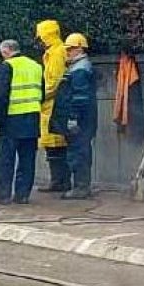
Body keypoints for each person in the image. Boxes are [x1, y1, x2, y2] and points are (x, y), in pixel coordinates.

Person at [0, 40, 42, 205]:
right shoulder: (36, 66)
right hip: (32, 118)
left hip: (11, 120)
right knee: (27, 159)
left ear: (5, 51)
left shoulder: (5, 67)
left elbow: (1, 96)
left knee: (5, 159)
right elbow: (42, 92)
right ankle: (22, 195)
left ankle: (3, 195)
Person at [50, 33, 97, 200]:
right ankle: (81, 186)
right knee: (80, 151)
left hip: (80, 121)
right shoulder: (79, 67)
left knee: (78, 153)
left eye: (70, 49)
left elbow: (79, 97)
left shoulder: (80, 69)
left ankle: (81, 188)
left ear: (79, 48)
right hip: (84, 120)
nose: (67, 52)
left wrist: (73, 118)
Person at [35, 20, 69, 193]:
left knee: (56, 145)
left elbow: (54, 82)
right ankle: (59, 181)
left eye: (40, 36)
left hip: (53, 105)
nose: (39, 41)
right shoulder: (54, 52)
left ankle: (59, 182)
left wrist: (41, 97)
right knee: (54, 145)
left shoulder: (56, 53)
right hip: (51, 105)